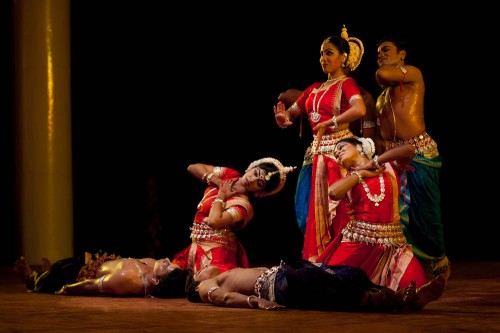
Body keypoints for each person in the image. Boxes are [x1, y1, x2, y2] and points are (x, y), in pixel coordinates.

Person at [273, 25, 366, 262]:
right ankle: (317, 263)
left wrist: (331, 122)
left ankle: (337, 264)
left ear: (343, 57)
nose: (323, 58)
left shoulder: (346, 84)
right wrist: (283, 120)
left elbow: (359, 108)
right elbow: (292, 114)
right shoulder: (314, 89)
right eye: (322, 53)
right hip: (313, 156)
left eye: (329, 53)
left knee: (335, 214)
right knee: (306, 214)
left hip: (337, 155)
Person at [375, 35, 449, 280]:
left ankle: (439, 260)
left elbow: (384, 75)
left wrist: (382, 69)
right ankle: (403, 272)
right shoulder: (381, 98)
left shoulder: (412, 75)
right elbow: (377, 134)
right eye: (378, 53)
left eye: (386, 50)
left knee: (426, 213)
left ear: (402, 54)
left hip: (419, 154)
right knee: (394, 218)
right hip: (392, 159)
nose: (381, 55)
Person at [316, 137, 428, 290]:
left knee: (415, 287)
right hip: (357, 244)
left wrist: (374, 162)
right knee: (329, 286)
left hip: (391, 246)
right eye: (336, 154)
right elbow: (334, 193)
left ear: (360, 147)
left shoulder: (389, 167)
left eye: (342, 147)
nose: (338, 153)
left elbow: (409, 150)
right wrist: (361, 174)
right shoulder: (350, 179)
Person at [171, 157, 296, 273]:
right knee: (162, 273)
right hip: (195, 247)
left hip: (216, 253)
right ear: (251, 168)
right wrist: (217, 181)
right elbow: (192, 167)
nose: (252, 179)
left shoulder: (243, 206)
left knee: (203, 287)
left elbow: (214, 221)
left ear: (260, 192)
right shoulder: (230, 175)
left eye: (259, 183)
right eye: (256, 173)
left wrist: (221, 194)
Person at [185, 259, 446, 312]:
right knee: (332, 289)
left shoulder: (222, 272)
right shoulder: (204, 285)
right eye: (200, 268)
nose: (206, 265)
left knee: (350, 273)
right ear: (196, 279)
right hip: (279, 287)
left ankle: (401, 298)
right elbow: (225, 298)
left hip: (286, 272)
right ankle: (391, 301)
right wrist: (256, 302)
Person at [14, 253, 191, 298]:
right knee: (60, 266)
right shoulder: (154, 267)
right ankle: (48, 271)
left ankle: (33, 278)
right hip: (95, 261)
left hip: (79, 274)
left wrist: (66, 289)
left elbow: (94, 285)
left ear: (156, 280)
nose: (166, 259)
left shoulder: (131, 280)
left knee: (48, 280)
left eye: (167, 265)